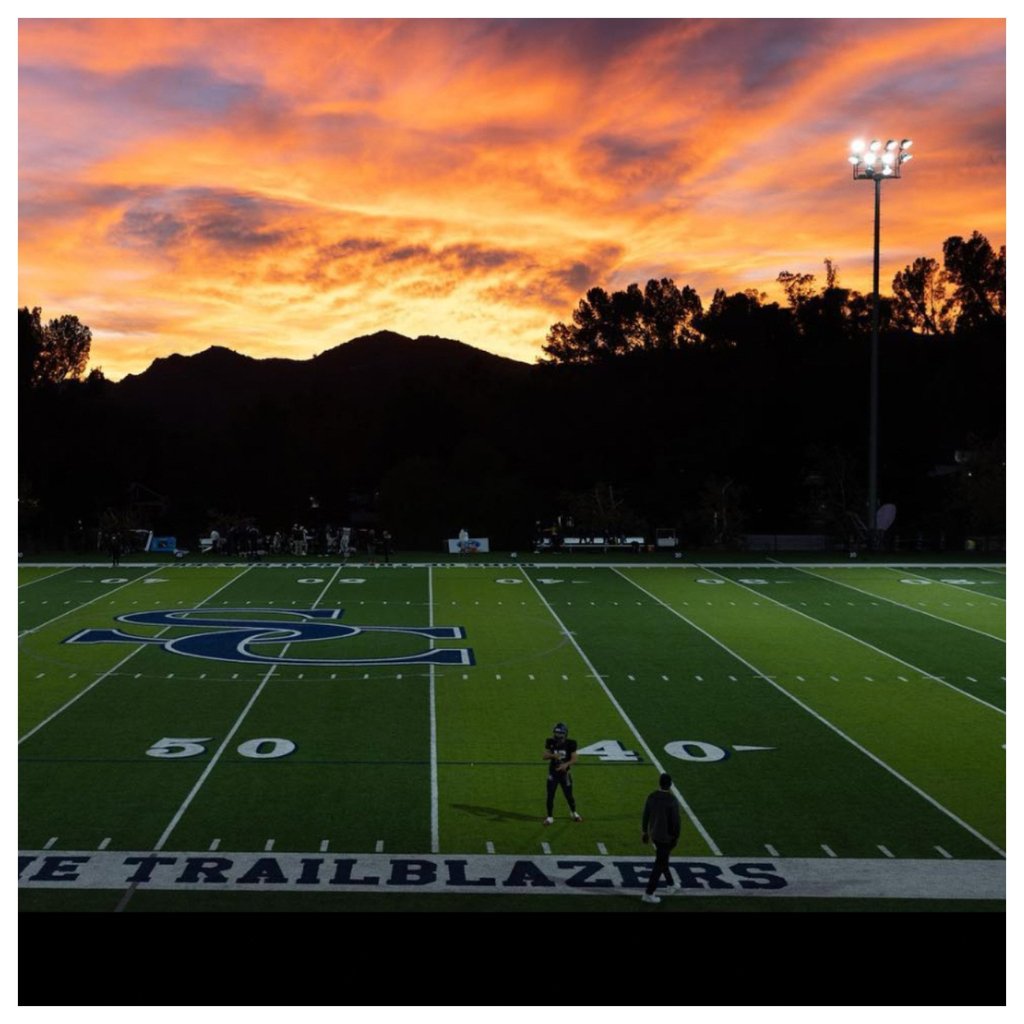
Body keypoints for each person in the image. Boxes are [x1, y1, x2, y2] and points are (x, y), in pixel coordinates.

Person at [640, 772, 681, 904]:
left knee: (663, 860)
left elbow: (646, 815)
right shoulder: (672, 800)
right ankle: (648, 893)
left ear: (659, 783)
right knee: (660, 863)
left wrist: (645, 832)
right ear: (670, 784)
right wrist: (675, 837)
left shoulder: (652, 796)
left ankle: (671, 884)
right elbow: (676, 822)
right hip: (666, 837)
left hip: (655, 835)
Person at [543, 722, 582, 825]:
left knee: (569, 795)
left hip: (565, 774)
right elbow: (545, 756)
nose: (558, 735)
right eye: (556, 733)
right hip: (553, 773)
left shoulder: (571, 743)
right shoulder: (550, 741)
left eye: (560, 733)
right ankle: (550, 817)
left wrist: (566, 764)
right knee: (550, 795)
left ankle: (574, 812)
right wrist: (553, 756)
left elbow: (575, 758)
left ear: (565, 733)